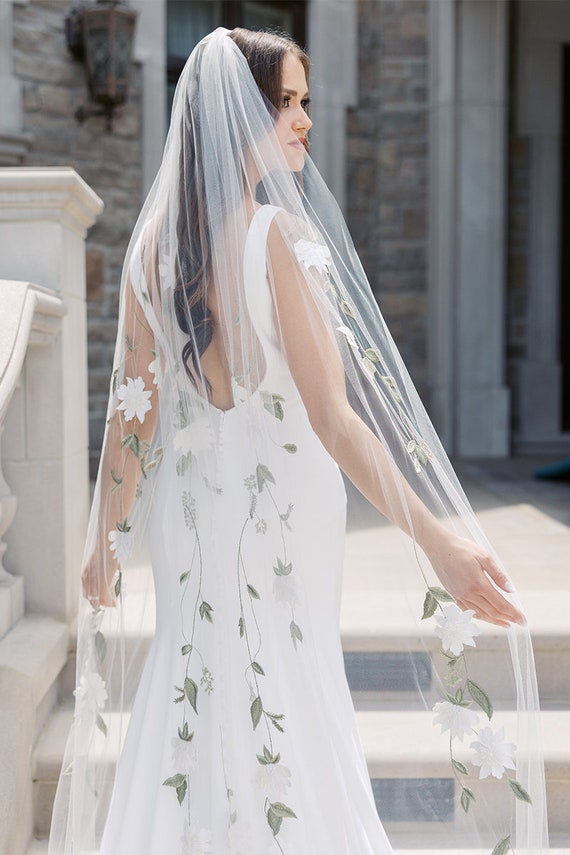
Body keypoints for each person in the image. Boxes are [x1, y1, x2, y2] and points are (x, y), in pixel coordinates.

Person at [48, 27, 548, 855]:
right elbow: (334, 419)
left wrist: (104, 535)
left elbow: (130, 417)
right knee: (292, 697)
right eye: (288, 102)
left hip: (192, 531)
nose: (305, 121)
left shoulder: (151, 248)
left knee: (196, 694)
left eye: (306, 101)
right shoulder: (275, 240)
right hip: (282, 528)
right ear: (241, 112)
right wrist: (439, 541)